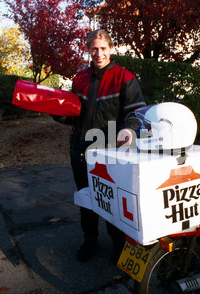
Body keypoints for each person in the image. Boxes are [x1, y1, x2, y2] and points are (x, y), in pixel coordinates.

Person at [54, 29, 146, 262]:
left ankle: (118, 245)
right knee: (86, 199)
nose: (99, 53)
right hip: (80, 149)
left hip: (110, 152)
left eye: (103, 48)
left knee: (112, 201)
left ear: (111, 49)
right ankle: (90, 239)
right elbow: (73, 115)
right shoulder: (80, 79)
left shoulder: (124, 77)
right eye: (94, 48)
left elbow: (137, 113)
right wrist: (57, 113)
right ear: (87, 49)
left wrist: (129, 129)